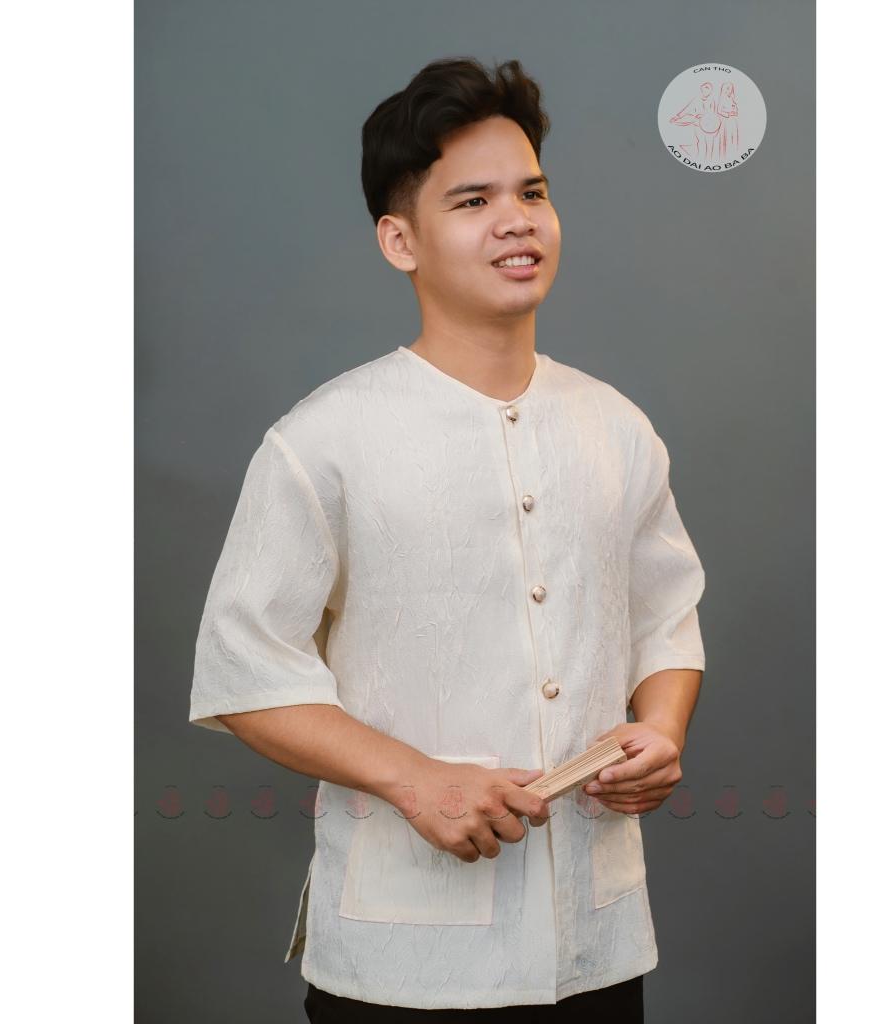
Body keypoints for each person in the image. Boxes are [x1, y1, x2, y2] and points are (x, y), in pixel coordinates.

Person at [189, 57, 707, 1020]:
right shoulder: (324, 440)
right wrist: (414, 780)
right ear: (400, 240)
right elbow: (242, 671)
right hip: (402, 960)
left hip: (596, 949)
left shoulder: (615, 427)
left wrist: (664, 729)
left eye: (532, 193)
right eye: (473, 201)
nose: (516, 220)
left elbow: (667, 616)